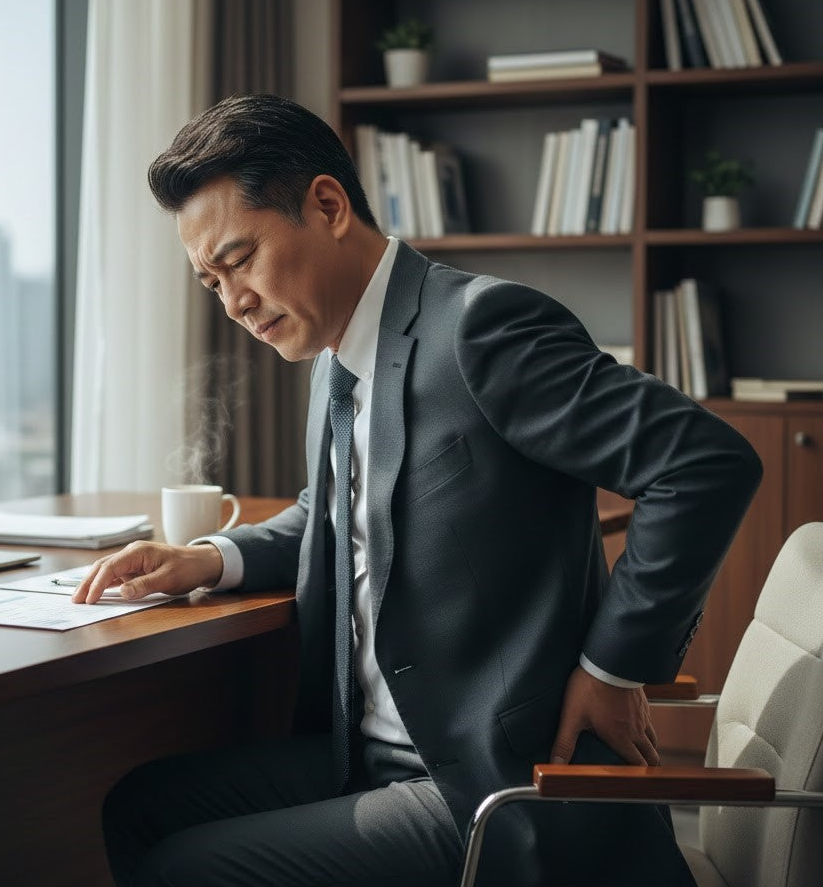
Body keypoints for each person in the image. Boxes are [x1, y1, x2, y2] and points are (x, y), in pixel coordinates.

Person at [73, 94, 762, 886]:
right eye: (211, 282)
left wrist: (613, 668)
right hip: (372, 752)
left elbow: (703, 462)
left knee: (188, 867)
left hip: (491, 782)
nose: (233, 302)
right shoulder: (335, 358)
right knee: (139, 807)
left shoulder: (479, 328)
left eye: (241, 260)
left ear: (328, 206)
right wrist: (209, 558)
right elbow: (338, 514)